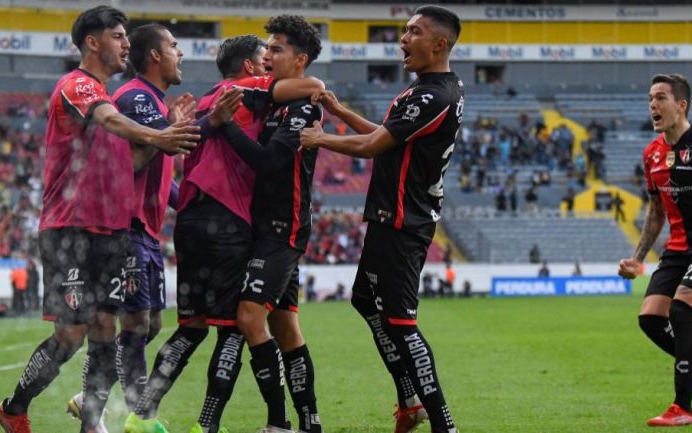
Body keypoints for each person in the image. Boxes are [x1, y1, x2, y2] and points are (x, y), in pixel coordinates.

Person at [0, 6, 201, 433]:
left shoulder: (108, 97)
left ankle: (91, 424)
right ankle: (14, 408)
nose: (127, 44)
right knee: (72, 336)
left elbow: (136, 162)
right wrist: (162, 132)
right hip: (68, 229)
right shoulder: (78, 85)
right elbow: (107, 119)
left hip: (110, 232)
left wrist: (162, 136)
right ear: (92, 42)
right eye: (118, 36)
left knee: (108, 330)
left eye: (127, 37)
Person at [124, 33, 323, 433]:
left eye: (274, 52)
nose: (268, 60)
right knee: (234, 327)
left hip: (191, 222)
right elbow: (313, 86)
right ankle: (208, 426)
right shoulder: (244, 90)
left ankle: (139, 416)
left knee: (192, 327)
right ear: (250, 67)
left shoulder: (206, 98)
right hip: (228, 222)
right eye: (264, 55)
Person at [301, 6, 462, 433]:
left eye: (414, 31)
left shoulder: (433, 95)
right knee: (364, 300)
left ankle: (441, 422)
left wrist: (322, 137)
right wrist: (338, 111)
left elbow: (375, 146)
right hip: (393, 216)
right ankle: (410, 402)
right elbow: (386, 137)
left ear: (440, 43)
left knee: (403, 324)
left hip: (403, 223)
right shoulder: (428, 90)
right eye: (405, 30)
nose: (403, 39)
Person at [65, 23, 197, 429]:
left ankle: (91, 398)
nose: (181, 53)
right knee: (134, 325)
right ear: (155, 56)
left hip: (148, 233)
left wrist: (194, 203)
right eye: (174, 46)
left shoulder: (156, 103)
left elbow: (161, 176)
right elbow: (140, 156)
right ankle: (141, 418)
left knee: (150, 324)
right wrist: (181, 127)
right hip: (126, 227)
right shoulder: (137, 98)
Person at [220, 16, 325, 433]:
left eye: (276, 49)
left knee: (249, 317)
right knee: (285, 326)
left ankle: (278, 423)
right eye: (266, 47)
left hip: (284, 227)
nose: (267, 54)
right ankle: (309, 422)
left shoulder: (303, 109)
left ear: (300, 59)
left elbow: (267, 162)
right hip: (266, 227)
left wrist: (225, 125)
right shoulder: (277, 101)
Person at [618, 74, 692, 427]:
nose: (653, 105)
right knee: (650, 320)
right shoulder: (652, 153)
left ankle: (682, 409)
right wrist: (637, 259)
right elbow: (655, 213)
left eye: (660, 98)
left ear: (681, 105)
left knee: (681, 312)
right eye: (650, 99)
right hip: (677, 249)